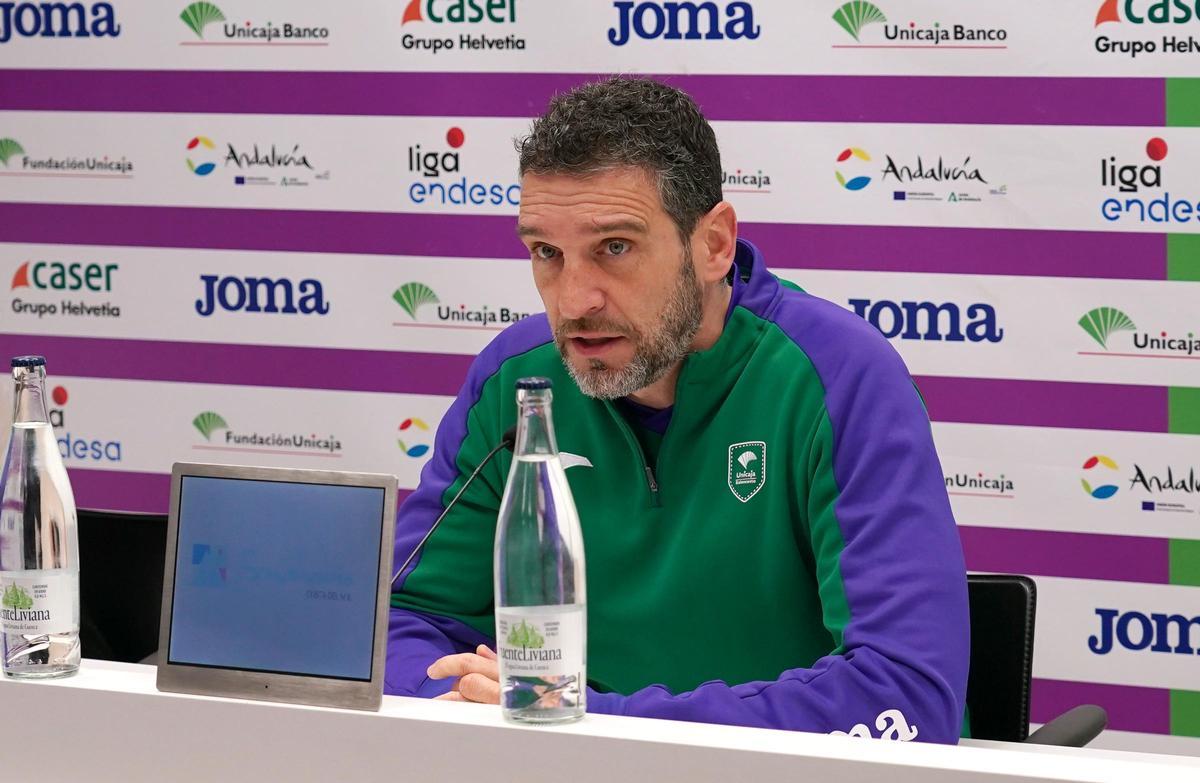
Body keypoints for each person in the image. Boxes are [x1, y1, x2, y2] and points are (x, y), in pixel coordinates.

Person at [386, 77, 970, 743]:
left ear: (715, 244)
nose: (574, 300)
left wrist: (593, 721)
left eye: (615, 247)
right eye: (547, 253)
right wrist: (454, 698)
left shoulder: (840, 379)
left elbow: (906, 694)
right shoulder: (517, 382)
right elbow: (406, 620)